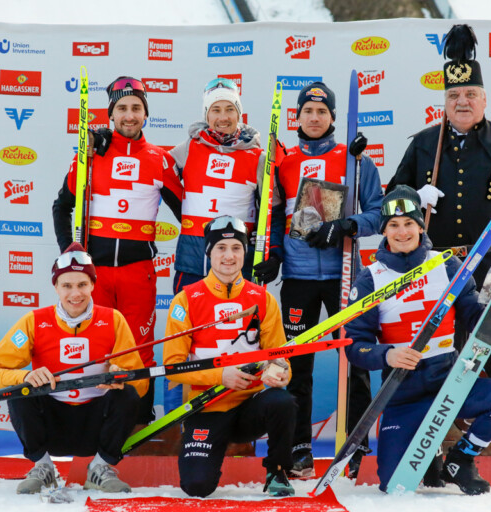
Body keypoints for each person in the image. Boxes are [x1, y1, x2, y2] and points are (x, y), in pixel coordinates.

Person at [386, 24, 491, 439]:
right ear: (444, 101)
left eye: (470, 95)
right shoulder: (424, 144)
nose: (462, 102)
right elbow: (392, 204)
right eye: (454, 96)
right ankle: (438, 441)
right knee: (440, 356)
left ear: (484, 99)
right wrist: (411, 194)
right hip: (438, 268)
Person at [344, 185, 491, 495]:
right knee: (394, 484)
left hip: (448, 381)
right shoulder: (370, 278)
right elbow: (354, 345)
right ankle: (430, 450)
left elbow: (474, 317)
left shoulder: (446, 264)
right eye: (393, 225)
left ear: (420, 225)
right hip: (404, 392)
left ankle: (461, 459)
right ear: (384, 230)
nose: (402, 232)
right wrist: (387, 355)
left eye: (409, 224)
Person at [253, 81, 383, 478]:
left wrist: (345, 225)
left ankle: (357, 444)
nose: (314, 118)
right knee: (296, 366)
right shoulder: (283, 162)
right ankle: (299, 448)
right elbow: (272, 216)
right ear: (296, 116)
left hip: (345, 275)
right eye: (307, 112)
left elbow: (377, 213)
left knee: (355, 359)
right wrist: (272, 254)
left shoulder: (354, 159)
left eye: (322, 112)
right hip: (299, 277)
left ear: (331, 117)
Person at [52, 76, 182, 423]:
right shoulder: (90, 154)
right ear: (111, 114)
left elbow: (189, 214)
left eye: (136, 108)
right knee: (97, 347)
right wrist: (70, 254)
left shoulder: (159, 160)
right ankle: (96, 424)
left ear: (145, 114)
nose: (129, 115)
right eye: (122, 108)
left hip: (138, 271)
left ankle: (140, 425)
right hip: (95, 274)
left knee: (139, 350)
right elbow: (60, 206)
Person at [0, 242, 147, 495]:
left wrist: (120, 375)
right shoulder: (34, 321)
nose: (75, 294)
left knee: (128, 395)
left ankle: (100, 469)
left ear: (93, 285)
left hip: (95, 424)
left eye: (82, 285)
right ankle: (43, 468)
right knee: (18, 391)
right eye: (67, 286)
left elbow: (140, 384)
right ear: (55, 287)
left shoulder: (113, 319)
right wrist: (25, 375)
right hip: (52, 423)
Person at [163, 216, 296, 498]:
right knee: (196, 486)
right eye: (221, 248)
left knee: (283, 401)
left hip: (251, 406)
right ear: (209, 252)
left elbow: (282, 357)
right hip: (208, 405)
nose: (229, 256)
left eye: (236, 248)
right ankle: (210, 455)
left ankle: (277, 470)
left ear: (244, 252)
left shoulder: (262, 298)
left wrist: (280, 370)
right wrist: (219, 376)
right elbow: (173, 368)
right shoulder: (186, 299)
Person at [169, 78, 265, 293]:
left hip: (236, 265)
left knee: (234, 325)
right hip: (193, 261)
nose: (223, 117)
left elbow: (272, 208)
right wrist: (108, 142)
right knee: (187, 324)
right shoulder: (188, 148)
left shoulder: (257, 157)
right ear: (207, 114)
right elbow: (152, 167)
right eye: (216, 110)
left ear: (239, 113)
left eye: (230, 109)